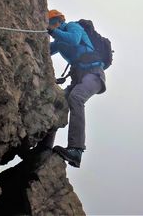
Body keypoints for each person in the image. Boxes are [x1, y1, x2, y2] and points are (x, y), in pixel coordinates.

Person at [47, 9, 106, 168]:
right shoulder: (59, 41)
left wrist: (53, 31)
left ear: (59, 21)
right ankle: (45, 146)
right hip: (79, 79)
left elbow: (74, 40)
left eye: (52, 22)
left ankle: (76, 150)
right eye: (50, 24)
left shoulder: (73, 27)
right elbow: (45, 50)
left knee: (76, 98)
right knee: (57, 102)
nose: (51, 26)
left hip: (93, 75)